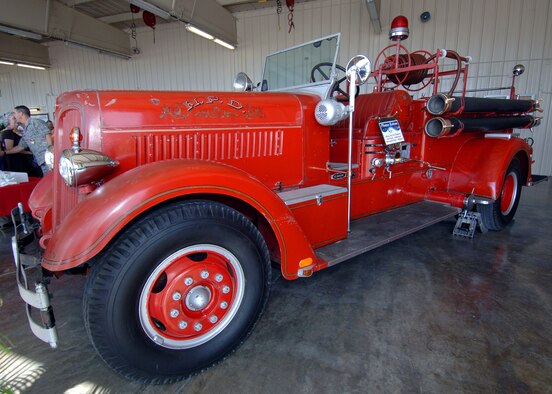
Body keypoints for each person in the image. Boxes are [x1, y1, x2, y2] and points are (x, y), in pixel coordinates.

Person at [1, 105, 53, 176]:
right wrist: (4, 152)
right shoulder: (25, 130)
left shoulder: (35, 122)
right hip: (42, 162)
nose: (14, 115)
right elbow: (20, 147)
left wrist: (51, 154)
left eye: (14, 113)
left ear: (21, 113)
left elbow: (47, 135)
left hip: (49, 160)